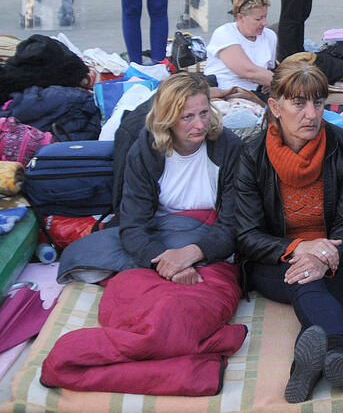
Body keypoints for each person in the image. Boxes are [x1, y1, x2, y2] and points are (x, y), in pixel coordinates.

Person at [43, 73, 245, 395]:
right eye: (187, 117)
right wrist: (166, 263)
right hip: (156, 248)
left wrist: (190, 255)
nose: (199, 125)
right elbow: (134, 225)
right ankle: (183, 369)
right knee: (135, 308)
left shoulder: (229, 148)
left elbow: (234, 224)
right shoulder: (147, 150)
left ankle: (170, 366)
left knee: (179, 315)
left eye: (204, 113)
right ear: (167, 118)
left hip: (209, 250)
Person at [233, 61, 343, 402]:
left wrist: (324, 255)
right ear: (275, 106)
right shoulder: (251, 155)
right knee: (305, 275)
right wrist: (299, 249)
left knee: (313, 282)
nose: (311, 114)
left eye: (318, 103)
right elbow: (247, 234)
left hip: (339, 256)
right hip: (276, 260)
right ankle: (340, 350)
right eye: (298, 103)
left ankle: (306, 367)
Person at [203, 0, 277, 93]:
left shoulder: (270, 36)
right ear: (240, 18)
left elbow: (269, 70)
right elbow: (249, 72)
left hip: (255, 92)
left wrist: (269, 83)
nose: (265, 23)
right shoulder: (224, 33)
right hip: (224, 91)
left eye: (265, 17)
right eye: (258, 19)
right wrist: (282, 84)